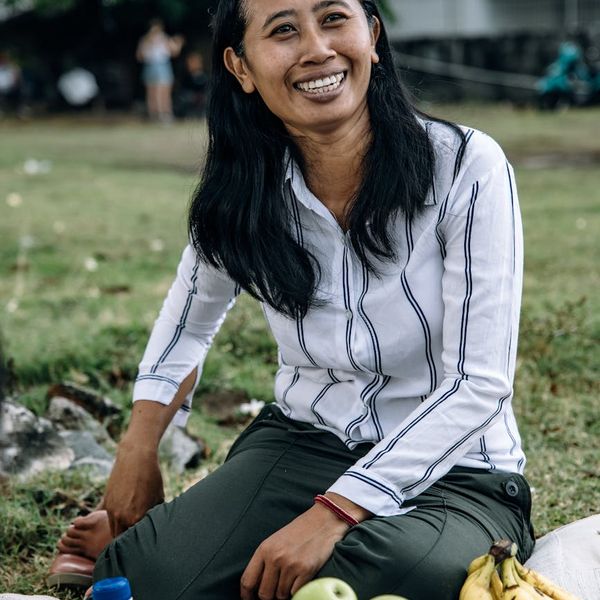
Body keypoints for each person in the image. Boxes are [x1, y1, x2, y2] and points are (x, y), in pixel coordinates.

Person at [53, 1, 535, 598]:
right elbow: (187, 324)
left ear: (372, 36)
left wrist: (333, 512)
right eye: (283, 30)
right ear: (241, 67)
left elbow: (479, 382)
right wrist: (138, 447)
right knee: (149, 575)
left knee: (368, 580)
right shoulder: (244, 191)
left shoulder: (465, 165)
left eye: (334, 18)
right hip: (303, 442)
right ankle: (172, 540)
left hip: (458, 470)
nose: (316, 49)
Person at [136, 19, 184, 122]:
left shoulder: (165, 39)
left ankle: (165, 114)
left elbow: (175, 52)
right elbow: (139, 56)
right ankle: (154, 115)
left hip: (163, 66)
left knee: (164, 92)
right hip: (150, 66)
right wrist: (148, 42)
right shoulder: (145, 40)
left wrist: (179, 43)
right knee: (152, 93)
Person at [174, 50, 210, 119]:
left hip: (202, 97)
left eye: (195, 62)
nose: (193, 64)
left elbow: (207, 88)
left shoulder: (205, 75)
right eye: (190, 62)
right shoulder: (185, 77)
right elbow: (182, 90)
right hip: (190, 97)